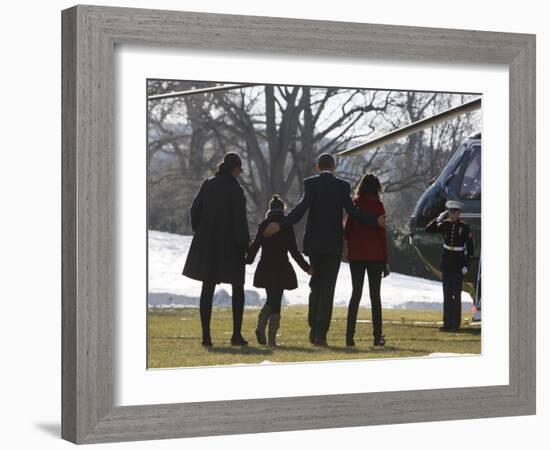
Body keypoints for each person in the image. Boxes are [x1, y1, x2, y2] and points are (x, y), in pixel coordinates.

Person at [264, 153, 385, 347]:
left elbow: (301, 209)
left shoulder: (311, 184)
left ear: (318, 167)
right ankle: (321, 333)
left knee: (316, 286)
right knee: (328, 288)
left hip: (315, 244)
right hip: (333, 245)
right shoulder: (342, 186)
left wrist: (281, 224)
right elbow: (353, 212)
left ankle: (313, 327)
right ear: (334, 167)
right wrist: (374, 220)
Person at [182, 152, 250, 347]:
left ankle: (206, 337)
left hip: (209, 244)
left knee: (207, 288)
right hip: (231, 246)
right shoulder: (236, 190)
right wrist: (245, 245)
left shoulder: (208, 184)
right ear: (234, 168)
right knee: (237, 288)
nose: (240, 173)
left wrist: (200, 231)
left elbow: (194, 209)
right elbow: (240, 221)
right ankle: (236, 335)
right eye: (239, 169)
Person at [246, 195, 311, 347]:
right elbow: (294, 251)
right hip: (282, 268)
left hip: (266, 267)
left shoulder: (263, 225)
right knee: (276, 300)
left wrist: (247, 260)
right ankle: (271, 338)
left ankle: (262, 326)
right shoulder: (286, 226)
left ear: (270, 209)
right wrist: (306, 267)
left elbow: (255, 246)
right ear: (283, 209)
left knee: (271, 298)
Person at [343, 173, 390, 347]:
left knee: (355, 294)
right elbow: (382, 235)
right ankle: (377, 336)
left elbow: (346, 231)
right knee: (375, 297)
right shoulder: (379, 206)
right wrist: (385, 260)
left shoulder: (355, 205)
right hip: (375, 256)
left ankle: (349, 336)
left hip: (356, 255)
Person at [425, 200, 474, 331]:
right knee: (447, 294)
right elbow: (428, 229)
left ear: (459, 213)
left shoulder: (464, 227)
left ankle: (455, 324)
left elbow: (470, 249)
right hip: (447, 263)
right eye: (451, 212)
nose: (452, 214)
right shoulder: (445, 225)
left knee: (456, 294)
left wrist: (466, 266)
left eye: (455, 212)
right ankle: (447, 323)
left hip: (458, 263)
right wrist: (438, 218)